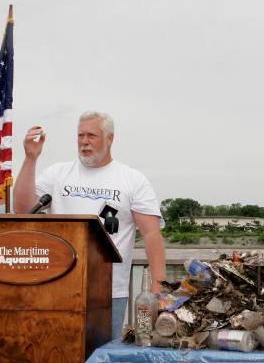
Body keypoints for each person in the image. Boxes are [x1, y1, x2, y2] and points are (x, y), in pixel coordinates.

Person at [13, 111, 167, 339]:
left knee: (101, 353)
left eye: (91, 136)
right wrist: (31, 159)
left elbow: (151, 234)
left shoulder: (132, 179)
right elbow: (22, 209)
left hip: (108, 293)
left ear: (110, 139)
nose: (84, 142)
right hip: (56, 285)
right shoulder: (57, 173)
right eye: (80, 136)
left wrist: (158, 290)